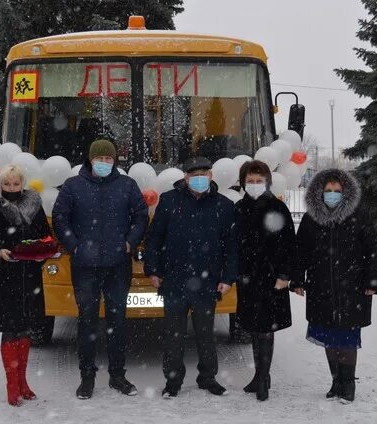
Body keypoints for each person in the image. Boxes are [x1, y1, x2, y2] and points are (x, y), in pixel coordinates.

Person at [52, 139, 148, 400]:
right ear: (90, 159)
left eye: (109, 159)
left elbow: (141, 215)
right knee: (87, 321)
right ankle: (87, 377)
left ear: (115, 161)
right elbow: (60, 218)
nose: (105, 163)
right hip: (85, 267)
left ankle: (118, 375)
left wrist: (130, 241)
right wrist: (74, 246)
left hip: (118, 266)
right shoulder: (73, 186)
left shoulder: (127, 185)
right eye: (100, 159)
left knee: (118, 322)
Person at [144, 156, 238, 398]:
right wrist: (152, 270)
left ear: (211, 176)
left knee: (206, 335)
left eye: (204, 174)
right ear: (185, 178)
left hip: (207, 283)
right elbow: (154, 239)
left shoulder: (224, 206)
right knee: (173, 335)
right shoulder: (168, 201)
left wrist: (228, 278)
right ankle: (173, 382)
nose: (199, 179)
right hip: (173, 281)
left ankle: (208, 378)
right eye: (194, 175)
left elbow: (231, 247)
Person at [291, 168, 377, 403]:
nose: (332, 194)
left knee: (348, 337)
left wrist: (372, 281)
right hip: (321, 287)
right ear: (319, 192)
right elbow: (301, 251)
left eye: (337, 191)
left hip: (352, 287)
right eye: (328, 190)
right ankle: (335, 381)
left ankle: (348, 382)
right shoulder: (312, 218)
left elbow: (372, 249)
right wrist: (298, 279)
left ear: (345, 192)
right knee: (329, 337)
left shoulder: (358, 215)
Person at [0, 164, 51, 406]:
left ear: (22, 184)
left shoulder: (34, 207)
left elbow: (45, 235)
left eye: (16, 184)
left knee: (26, 327)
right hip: (4, 277)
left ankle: (23, 382)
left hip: (29, 275)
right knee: (10, 328)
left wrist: (42, 250)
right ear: (1, 185)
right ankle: (12, 385)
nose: (12, 188)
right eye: (7, 184)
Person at [235, 160, 296, 401]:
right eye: (250, 181)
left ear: (267, 182)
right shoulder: (239, 208)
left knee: (266, 328)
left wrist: (284, 275)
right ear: (243, 183)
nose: (254, 184)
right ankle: (261, 375)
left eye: (259, 181)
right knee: (253, 326)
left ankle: (262, 379)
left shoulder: (277, 208)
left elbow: (289, 245)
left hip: (272, 279)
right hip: (247, 278)